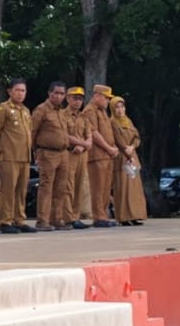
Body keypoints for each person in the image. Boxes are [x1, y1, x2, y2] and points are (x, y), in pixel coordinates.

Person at [0, 78, 36, 234]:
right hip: (9, 155)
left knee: (21, 190)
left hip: (24, 156)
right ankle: (6, 220)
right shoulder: (3, 109)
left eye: (23, 90)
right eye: (17, 90)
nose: (20, 94)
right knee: (8, 189)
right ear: (10, 91)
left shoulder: (25, 110)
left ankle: (19, 219)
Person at [30, 82, 72, 231]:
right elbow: (33, 132)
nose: (59, 96)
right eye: (56, 93)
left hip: (63, 153)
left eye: (62, 94)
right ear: (49, 93)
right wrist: (36, 152)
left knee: (61, 187)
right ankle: (43, 220)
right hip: (47, 152)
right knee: (46, 186)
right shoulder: (42, 110)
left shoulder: (62, 112)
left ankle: (57, 218)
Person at [83, 84, 120, 227]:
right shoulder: (90, 111)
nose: (107, 101)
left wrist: (113, 147)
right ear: (96, 96)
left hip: (107, 154)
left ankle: (103, 214)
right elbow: (94, 133)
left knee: (105, 187)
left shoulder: (102, 111)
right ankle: (98, 217)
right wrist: (108, 148)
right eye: (105, 98)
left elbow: (107, 132)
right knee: (98, 188)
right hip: (97, 155)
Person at [110, 96, 147, 226]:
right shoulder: (112, 122)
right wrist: (126, 150)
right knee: (122, 187)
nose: (120, 110)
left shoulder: (128, 121)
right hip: (122, 157)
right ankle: (124, 217)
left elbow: (137, 137)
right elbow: (118, 139)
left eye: (122, 107)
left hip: (132, 155)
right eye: (117, 107)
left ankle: (135, 215)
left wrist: (132, 147)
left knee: (134, 187)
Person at [63, 87, 93, 229]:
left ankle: (75, 216)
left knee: (79, 185)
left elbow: (89, 136)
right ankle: (68, 217)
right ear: (68, 98)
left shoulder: (84, 117)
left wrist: (84, 145)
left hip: (82, 154)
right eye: (74, 98)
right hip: (69, 153)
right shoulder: (62, 115)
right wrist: (81, 143)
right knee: (68, 185)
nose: (77, 101)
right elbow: (63, 135)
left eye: (80, 99)